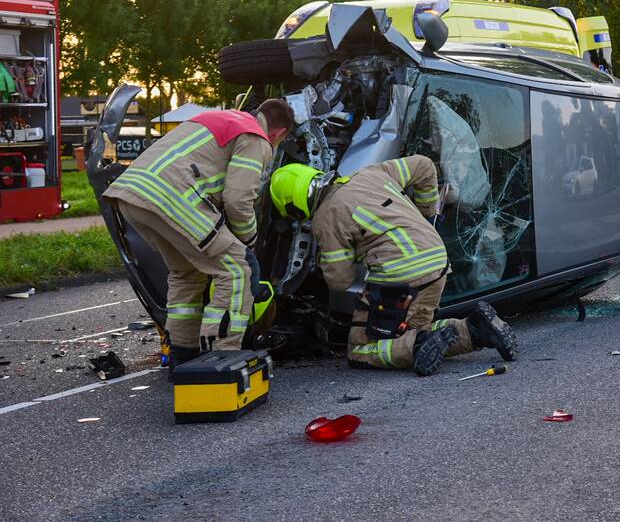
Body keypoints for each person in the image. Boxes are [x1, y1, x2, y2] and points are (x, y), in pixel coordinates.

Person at [269, 157, 517, 376]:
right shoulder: (369, 173)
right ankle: (476, 329)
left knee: (360, 346)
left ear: (294, 205)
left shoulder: (325, 217)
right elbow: (424, 166)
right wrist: (426, 214)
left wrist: (350, 253)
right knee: (414, 326)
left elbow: (340, 281)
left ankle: (418, 345)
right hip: (437, 261)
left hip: (401, 275)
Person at [103, 100, 295, 367]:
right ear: (280, 133)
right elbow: (238, 201)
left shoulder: (220, 119)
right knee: (238, 269)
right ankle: (222, 357)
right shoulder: (256, 137)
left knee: (186, 273)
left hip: (133, 196)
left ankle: (183, 357)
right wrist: (249, 240)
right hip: (173, 199)